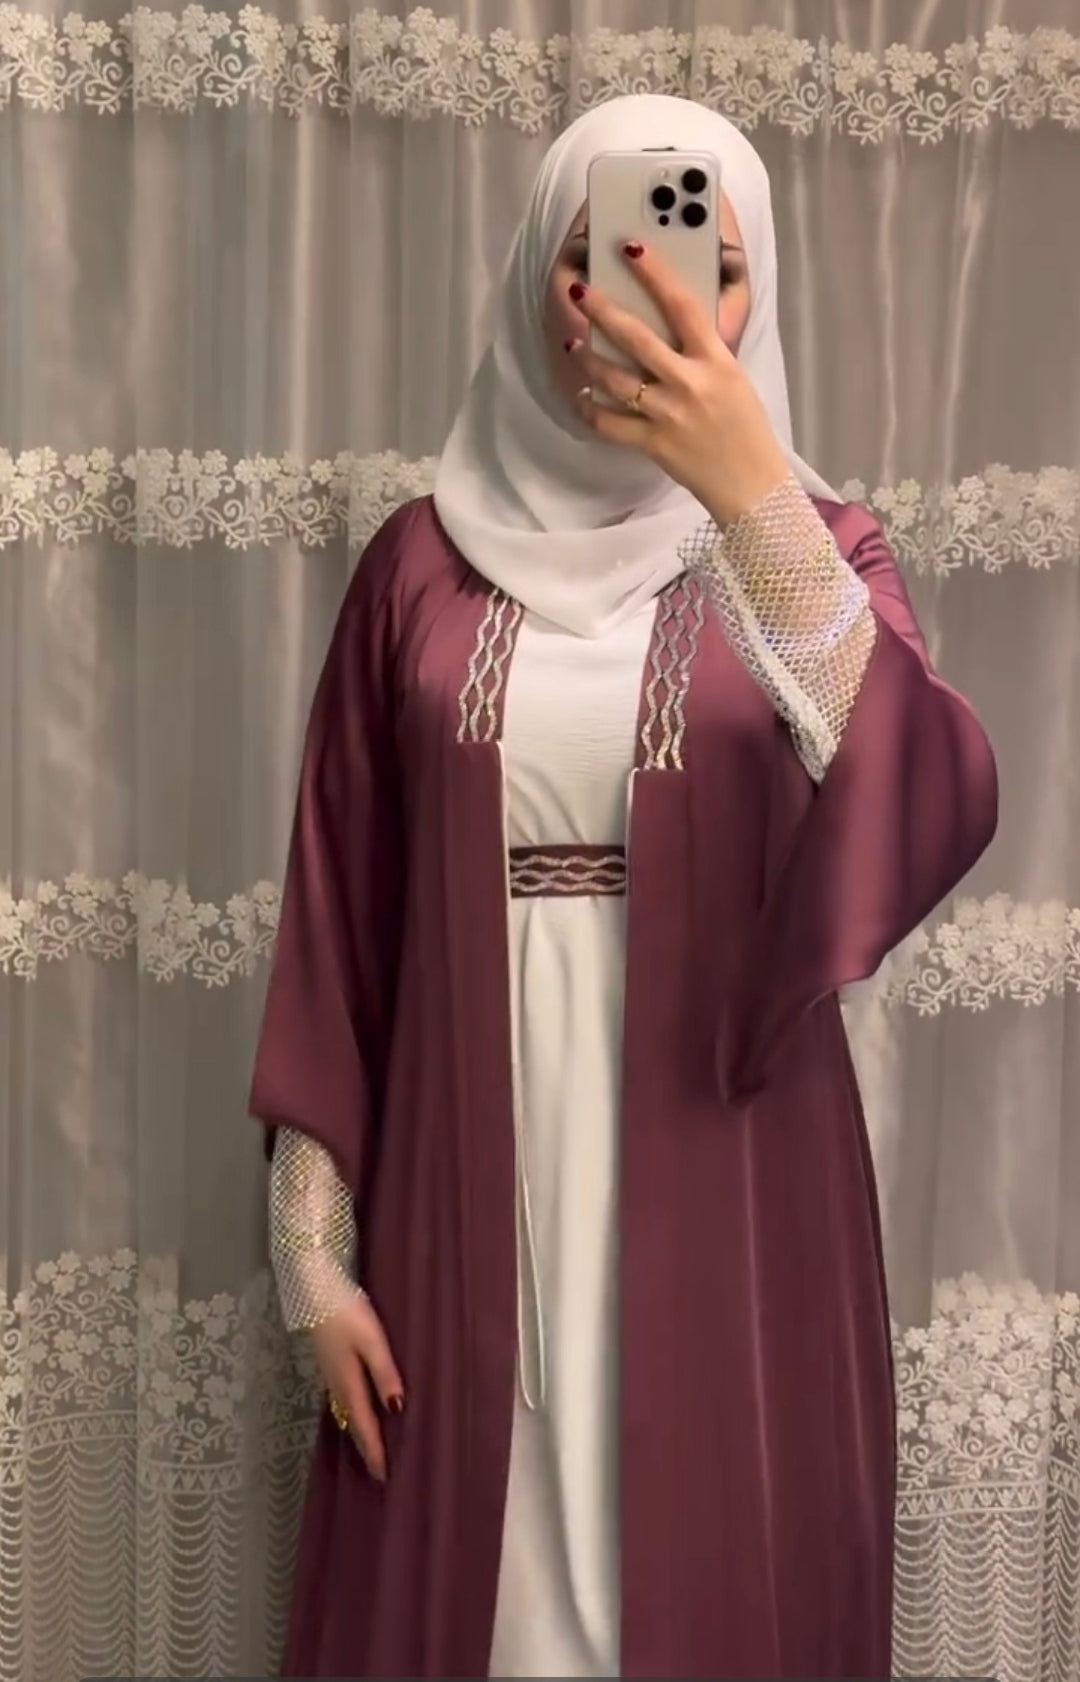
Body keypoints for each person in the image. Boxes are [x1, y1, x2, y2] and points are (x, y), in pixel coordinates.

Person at [250, 94, 997, 1679]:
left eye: (708, 264)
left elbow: (925, 792)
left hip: (736, 1181)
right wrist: (312, 1258)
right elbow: (339, 919)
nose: (649, 299)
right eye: (600, 254)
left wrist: (750, 497)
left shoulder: (819, 549)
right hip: (465, 1178)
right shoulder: (417, 569)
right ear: (542, 273)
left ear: (754, 293)